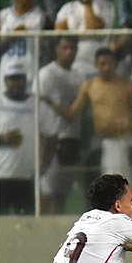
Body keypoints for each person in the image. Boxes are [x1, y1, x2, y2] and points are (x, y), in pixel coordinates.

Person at [0, 57, 60, 214]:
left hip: (26, 175)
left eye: (20, 78)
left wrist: (44, 165)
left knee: (25, 222)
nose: (16, 82)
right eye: (12, 78)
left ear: (26, 80)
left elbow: (52, 135)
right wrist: (3, 139)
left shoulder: (37, 105)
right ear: (5, 80)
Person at [65, 47, 132, 181]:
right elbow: (72, 112)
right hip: (100, 141)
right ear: (95, 64)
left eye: (110, 64)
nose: (106, 68)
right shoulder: (89, 85)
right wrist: (50, 103)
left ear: (115, 64)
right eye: (102, 64)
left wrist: (128, 124)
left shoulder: (125, 86)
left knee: (123, 184)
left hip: (122, 140)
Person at [36, 36, 85, 213]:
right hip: (51, 138)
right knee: (46, 190)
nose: (69, 52)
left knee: (62, 192)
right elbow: (38, 108)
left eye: (72, 48)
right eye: (64, 48)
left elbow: (75, 113)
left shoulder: (79, 77)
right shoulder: (45, 74)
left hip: (72, 138)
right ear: (57, 48)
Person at [54, 0, 113, 77]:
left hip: (97, 66)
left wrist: (87, 3)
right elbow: (59, 33)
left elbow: (91, 30)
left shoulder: (104, 5)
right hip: (73, 66)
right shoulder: (67, 8)